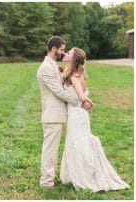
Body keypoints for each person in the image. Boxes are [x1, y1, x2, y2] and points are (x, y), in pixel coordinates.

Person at [60, 47, 130, 192]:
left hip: (76, 114)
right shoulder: (79, 74)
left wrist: (86, 101)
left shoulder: (74, 76)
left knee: (77, 141)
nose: (66, 54)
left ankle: (83, 175)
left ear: (74, 58)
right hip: (80, 114)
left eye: (69, 53)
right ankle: (81, 172)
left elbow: (80, 95)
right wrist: (87, 101)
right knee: (82, 140)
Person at [36, 36, 93, 188]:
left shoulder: (53, 65)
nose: (62, 53)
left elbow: (68, 83)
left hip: (59, 114)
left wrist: (82, 97)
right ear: (54, 49)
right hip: (52, 116)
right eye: (61, 50)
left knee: (52, 149)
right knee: (50, 150)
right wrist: (81, 101)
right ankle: (46, 181)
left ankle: (52, 177)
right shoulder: (45, 68)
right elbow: (59, 92)